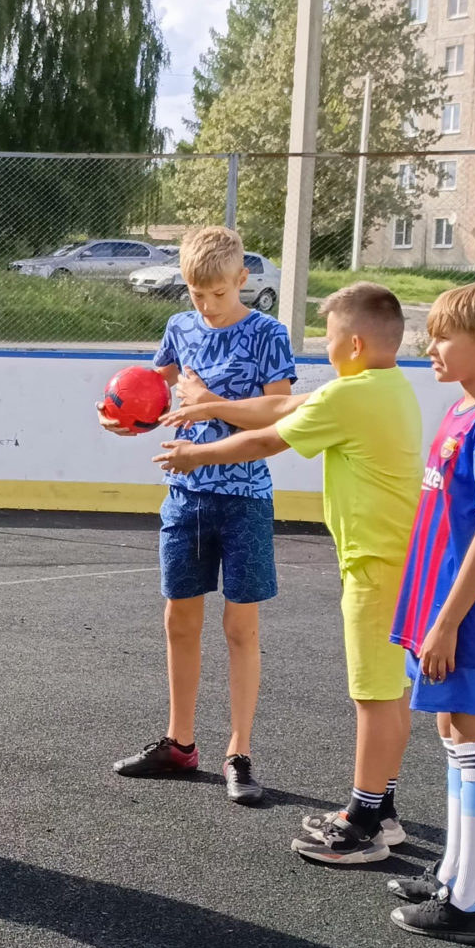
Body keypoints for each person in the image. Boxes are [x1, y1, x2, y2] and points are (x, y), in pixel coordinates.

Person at [155, 280, 425, 857]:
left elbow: (265, 440)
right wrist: (207, 404)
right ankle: (386, 809)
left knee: (374, 699)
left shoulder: (348, 396)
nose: (323, 349)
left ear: (352, 344)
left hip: (376, 567)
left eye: (328, 338)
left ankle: (364, 822)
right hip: (399, 562)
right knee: (391, 694)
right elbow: (279, 405)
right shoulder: (386, 386)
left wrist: (192, 453)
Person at [103, 225, 298, 804]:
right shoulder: (180, 327)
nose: (206, 305)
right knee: (179, 621)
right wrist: (117, 410)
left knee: (240, 628)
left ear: (242, 279)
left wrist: (209, 402)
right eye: (195, 293)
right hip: (183, 497)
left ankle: (238, 752)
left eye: (217, 292)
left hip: (245, 502)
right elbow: (150, 387)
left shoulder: (268, 334)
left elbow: (278, 415)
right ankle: (179, 742)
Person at [385, 281, 475, 943]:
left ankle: (470, 903)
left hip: (468, 616)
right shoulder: (462, 412)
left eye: (443, 336)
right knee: (453, 731)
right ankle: (452, 876)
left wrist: (447, 620)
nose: (430, 346)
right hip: (440, 609)